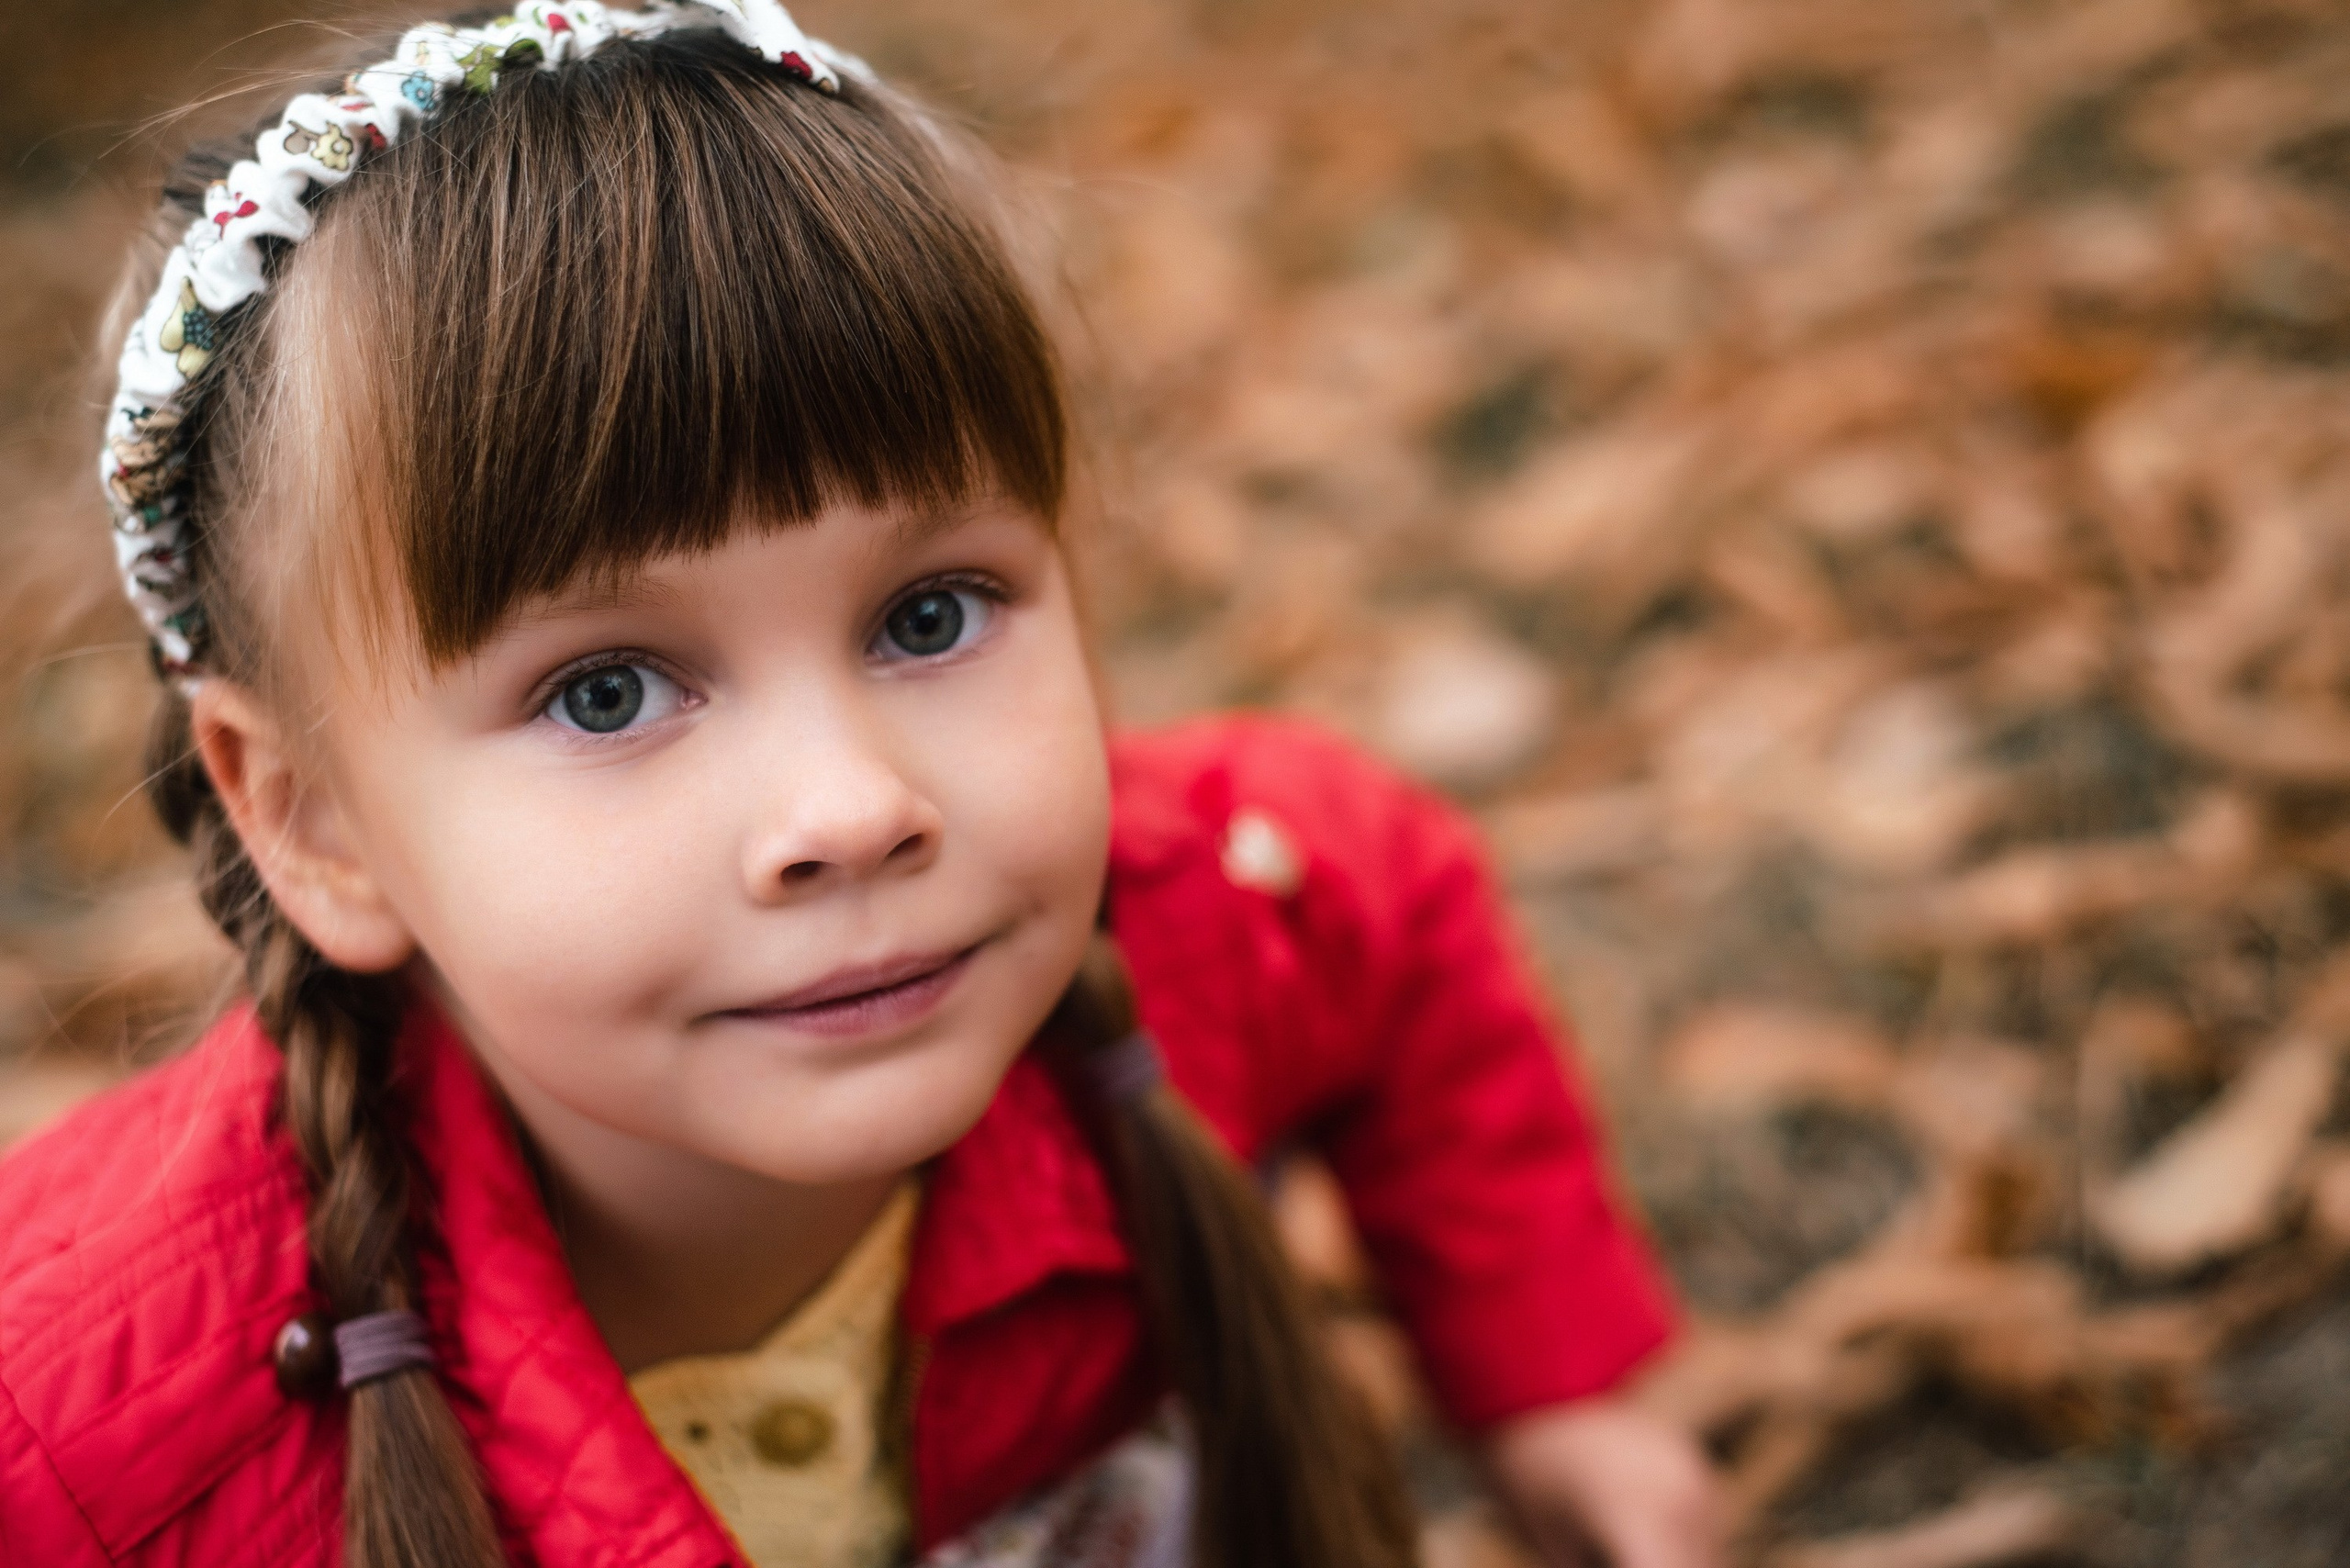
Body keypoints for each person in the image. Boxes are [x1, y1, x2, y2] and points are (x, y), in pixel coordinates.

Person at [0, 4, 1719, 1565]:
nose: (851, 806)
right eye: (606, 691)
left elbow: (1390, 906)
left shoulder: (1211, 916)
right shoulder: (83, 1443)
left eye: (928, 613)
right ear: (308, 818)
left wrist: (1542, 1381)